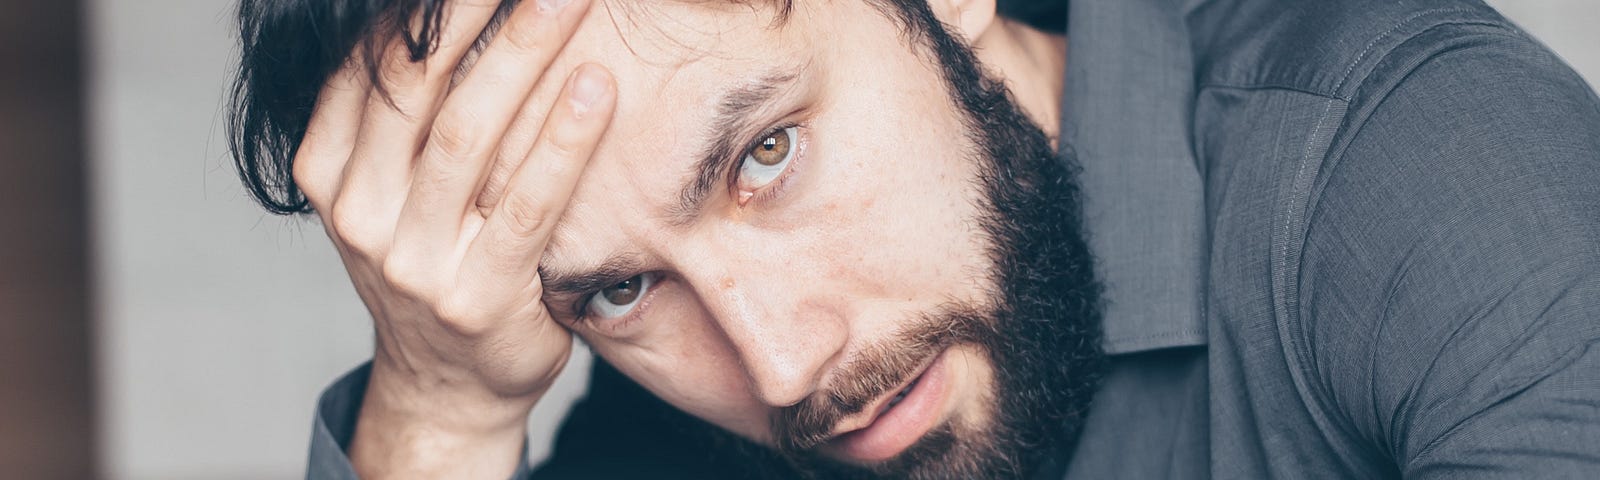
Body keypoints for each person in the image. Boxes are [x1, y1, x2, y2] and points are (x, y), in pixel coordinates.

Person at [229, 0, 1600, 478]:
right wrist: (442, 415)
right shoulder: (674, 433)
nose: (778, 369)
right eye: (623, 287)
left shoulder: (1421, 170)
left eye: (764, 155)